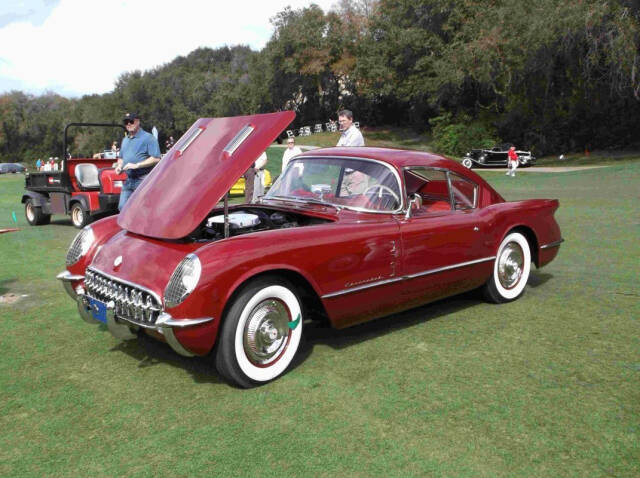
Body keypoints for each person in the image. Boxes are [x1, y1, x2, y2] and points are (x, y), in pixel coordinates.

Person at [113, 112, 161, 210]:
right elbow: (121, 158)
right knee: (122, 208)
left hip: (143, 180)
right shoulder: (125, 140)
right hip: (129, 180)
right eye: (126, 122)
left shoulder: (148, 138)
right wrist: (119, 167)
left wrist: (137, 165)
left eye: (131, 121)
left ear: (138, 122)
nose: (128, 124)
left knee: (143, 209)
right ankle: (127, 226)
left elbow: (156, 158)